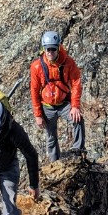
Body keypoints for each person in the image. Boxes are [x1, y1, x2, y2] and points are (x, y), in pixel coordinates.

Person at [31, 29, 84, 162]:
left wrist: (75, 106)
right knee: (51, 138)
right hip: (47, 107)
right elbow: (34, 90)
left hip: (64, 104)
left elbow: (76, 83)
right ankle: (55, 163)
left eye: (53, 49)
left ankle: (78, 151)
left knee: (77, 120)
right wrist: (38, 114)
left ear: (58, 48)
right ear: (43, 49)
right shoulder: (37, 67)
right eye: (47, 49)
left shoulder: (68, 62)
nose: (50, 52)